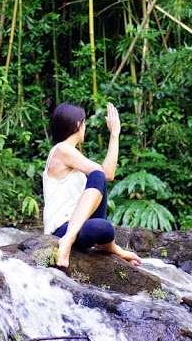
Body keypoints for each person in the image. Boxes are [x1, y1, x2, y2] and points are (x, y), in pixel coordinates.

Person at [42, 102, 142, 269]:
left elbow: (106, 174)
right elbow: (105, 173)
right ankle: (70, 239)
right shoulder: (62, 150)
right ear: (78, 124)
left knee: (103, 228)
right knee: (97, 175)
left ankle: (108, 247)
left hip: (78, 227)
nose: (85, 128)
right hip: (60, 230)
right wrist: (115, 134)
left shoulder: (70, 154)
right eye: (85, 123)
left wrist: (115, 135)